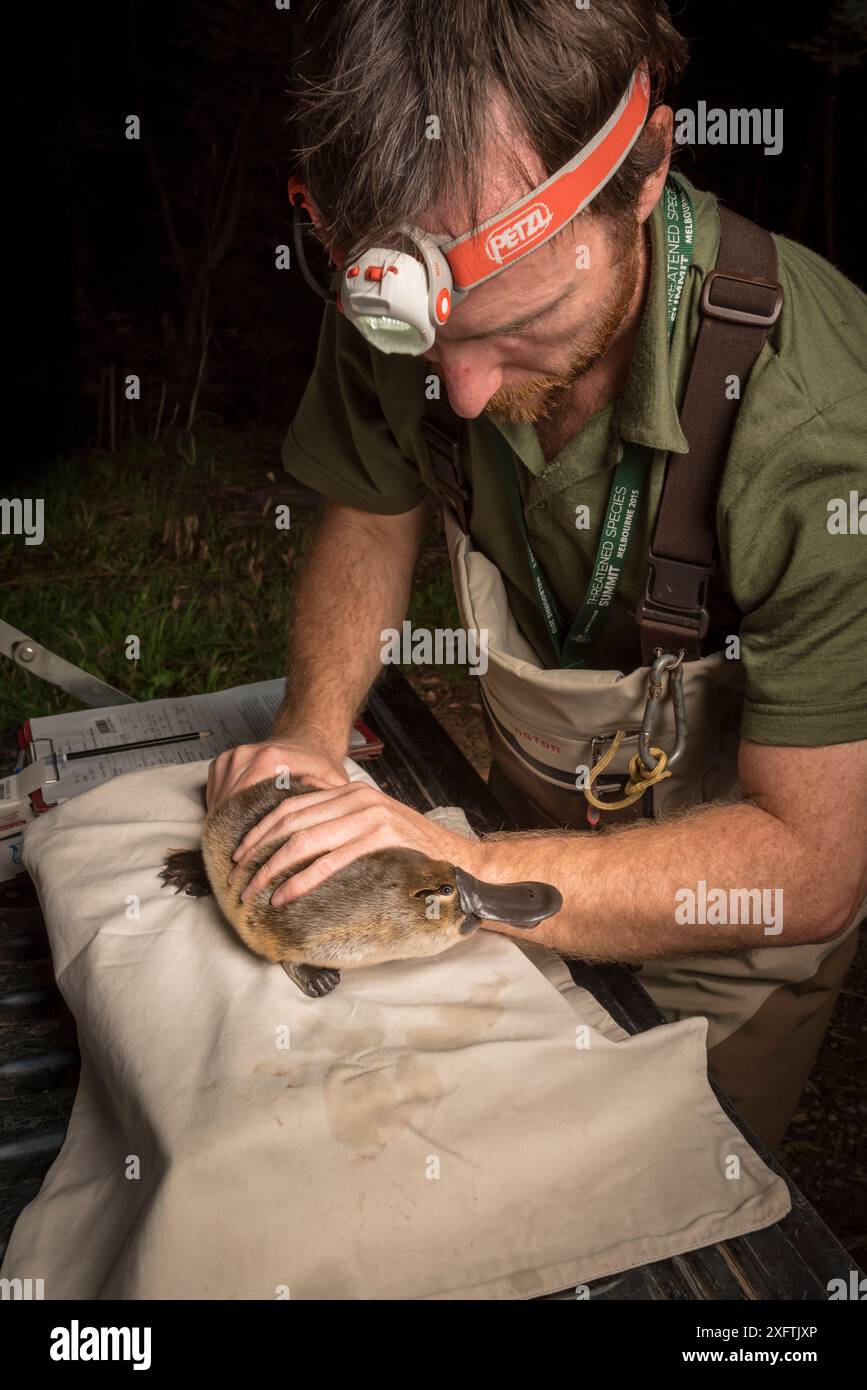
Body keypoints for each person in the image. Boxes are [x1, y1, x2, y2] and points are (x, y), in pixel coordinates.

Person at [207, 0, 867, 1151]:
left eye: (524, 327)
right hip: (518, 831)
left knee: (650, 1188)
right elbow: (372, 509)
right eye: (427, 343)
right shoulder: (414, 294)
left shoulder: (823, 430)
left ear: (649, 168)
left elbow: (811, 865)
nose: (459, 394)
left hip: (732, 899)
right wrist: (314, 735)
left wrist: (466, 874)